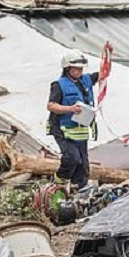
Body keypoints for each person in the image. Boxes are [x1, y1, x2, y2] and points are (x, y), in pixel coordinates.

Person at [47, 46, 111, 190]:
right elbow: (51, 105)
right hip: (62, 128)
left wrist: (109, 54)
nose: (79, 71)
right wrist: (70, 109)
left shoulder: (86, 80)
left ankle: (78, 190)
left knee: (83, 164)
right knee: (71, 157)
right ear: (67, 68)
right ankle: (58, 182)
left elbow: (104, 74)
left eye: (81, 69)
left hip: (80, 130)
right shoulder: (59, 85)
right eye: (75, 69)